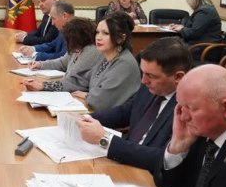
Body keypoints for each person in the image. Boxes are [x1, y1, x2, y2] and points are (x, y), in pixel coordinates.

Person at [75, 37, 191, 170]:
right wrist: (86, 118)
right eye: (143, 73)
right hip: (124, 160)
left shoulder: (188, 109)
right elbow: (125, 111)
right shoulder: (151, 87)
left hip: (145, 173)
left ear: (178, 77)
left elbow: (162, 158)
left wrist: (105, 140)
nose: (143, 81)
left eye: (150, 76)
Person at [72, 11, 140, 111]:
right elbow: (83, 80)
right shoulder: (105, 57)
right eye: (97, 32)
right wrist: (51, 86)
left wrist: (87, 95)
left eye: (106, 33)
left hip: (114, 119)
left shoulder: (124, 64)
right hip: (97, 112)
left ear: (121, 38)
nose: (98, 37)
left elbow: (100, 102)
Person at [21, 17, 100, 93]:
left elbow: (74, 83)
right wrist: (41, 64)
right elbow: (61, 63)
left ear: (77, 37)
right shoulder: (77, 48)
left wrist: (43, 85)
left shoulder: (91, 51)